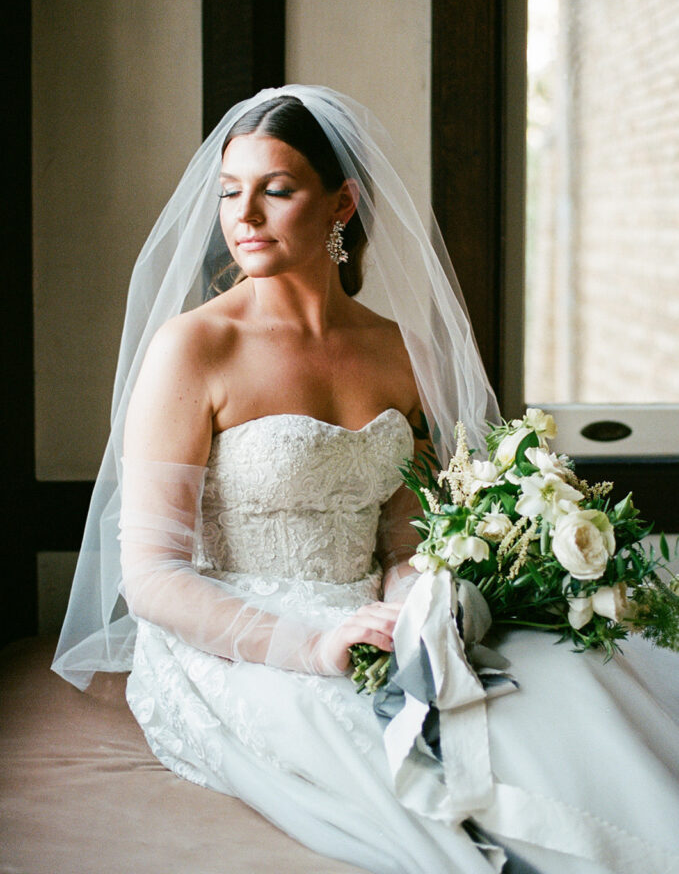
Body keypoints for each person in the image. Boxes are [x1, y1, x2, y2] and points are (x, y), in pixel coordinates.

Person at [53, 87, 679, 874]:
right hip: (233, 640)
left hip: (370, 618)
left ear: (339, 203)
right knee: (387, 752)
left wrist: (414, 601)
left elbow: (400, 535)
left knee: (561, 681)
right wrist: (312, 646)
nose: (242, 216)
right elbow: (149, 576)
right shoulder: (194, 348)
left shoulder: (400, 350)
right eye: (228, 192)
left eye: (275, 191)